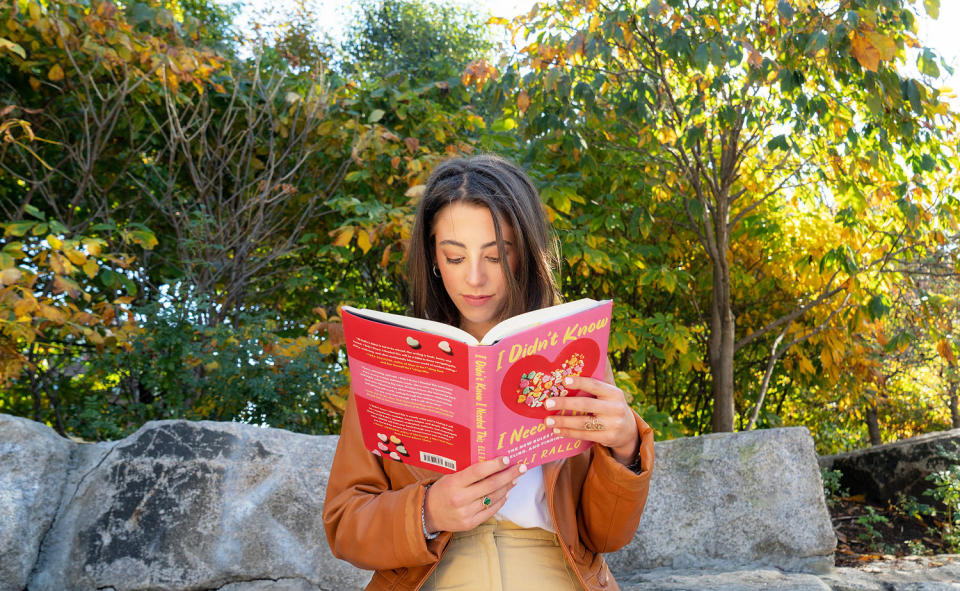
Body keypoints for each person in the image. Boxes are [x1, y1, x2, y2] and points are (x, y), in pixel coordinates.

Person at [323, 154, 654, 591]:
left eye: (496, 257)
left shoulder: (574, 351)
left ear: (525, 256)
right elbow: (345, 524)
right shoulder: (391, 361)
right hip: (432, 574)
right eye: (456, 257)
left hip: (556, 573)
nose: (475, 279)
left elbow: (608, 535)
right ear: (434, 260)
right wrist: (427, 510)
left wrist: (625, 448)